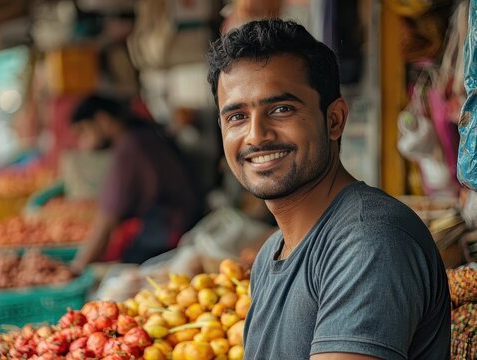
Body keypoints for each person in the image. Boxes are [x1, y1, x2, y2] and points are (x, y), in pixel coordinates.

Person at [207, 19, 450, 359]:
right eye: (237, 117)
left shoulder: (369, 241)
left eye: (280, 109)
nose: (256, 135)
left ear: (334, 119)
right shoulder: (271, 255)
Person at [70, 94, 200, 273]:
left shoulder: (130, 145)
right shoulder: (140, 134)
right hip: (179, 223)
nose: (82, 143)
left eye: (83, 131)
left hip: (169, 233)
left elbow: (107, 220)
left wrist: (77, 267)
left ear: (102, 119)